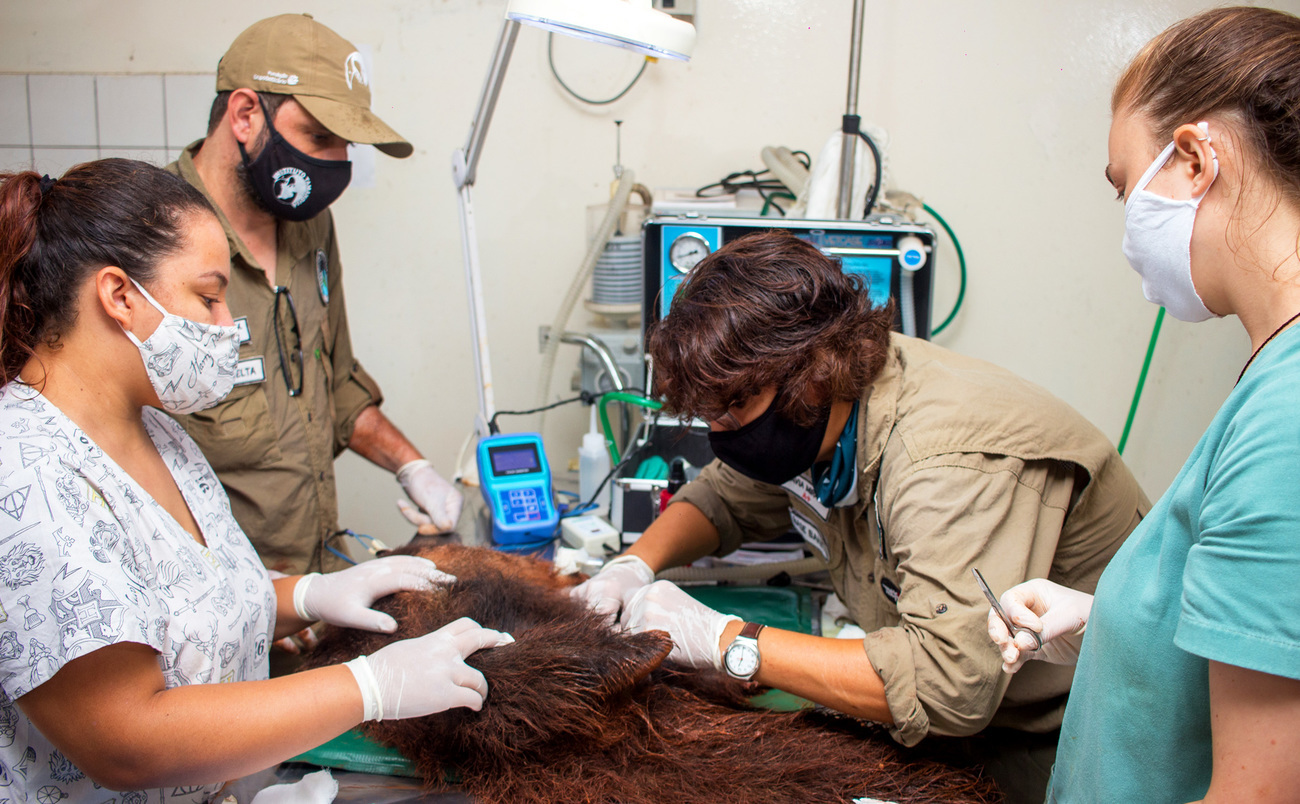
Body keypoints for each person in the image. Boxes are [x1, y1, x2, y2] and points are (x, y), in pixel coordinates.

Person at [572, 229, 1149, 803]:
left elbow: (944, 684)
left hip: (1074, 738)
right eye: (708, 416)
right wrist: (631, 567)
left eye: (736, 407)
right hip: (974, 727)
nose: (723, 434)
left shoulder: (943, 463)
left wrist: (727, 640)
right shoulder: (825, 416)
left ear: (813, 372)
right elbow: (726, 497)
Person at [0, 159, 512, 803]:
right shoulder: (29, 475)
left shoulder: (158, 433)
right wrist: (370, 686)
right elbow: (125, 741)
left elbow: (178, 612)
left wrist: (307, 596)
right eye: (210, 296)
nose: (227, 328)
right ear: (120, 296)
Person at [987, 7, 1300, 802]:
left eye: (1127, 185)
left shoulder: (1287, 414)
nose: (1128, 220)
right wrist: (1114, 623)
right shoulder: (1272, 379)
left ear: (1194, 159)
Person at [166, 14, 459, 578]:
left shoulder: (310, 227)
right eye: (319, 137)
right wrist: (232, 586)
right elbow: (111, 452)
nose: (331, 163)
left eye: (344, 143)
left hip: (314, 579)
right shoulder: (149, 237)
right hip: (207, 608)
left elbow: (334, 382)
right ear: (246, 115)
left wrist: (412, 465)